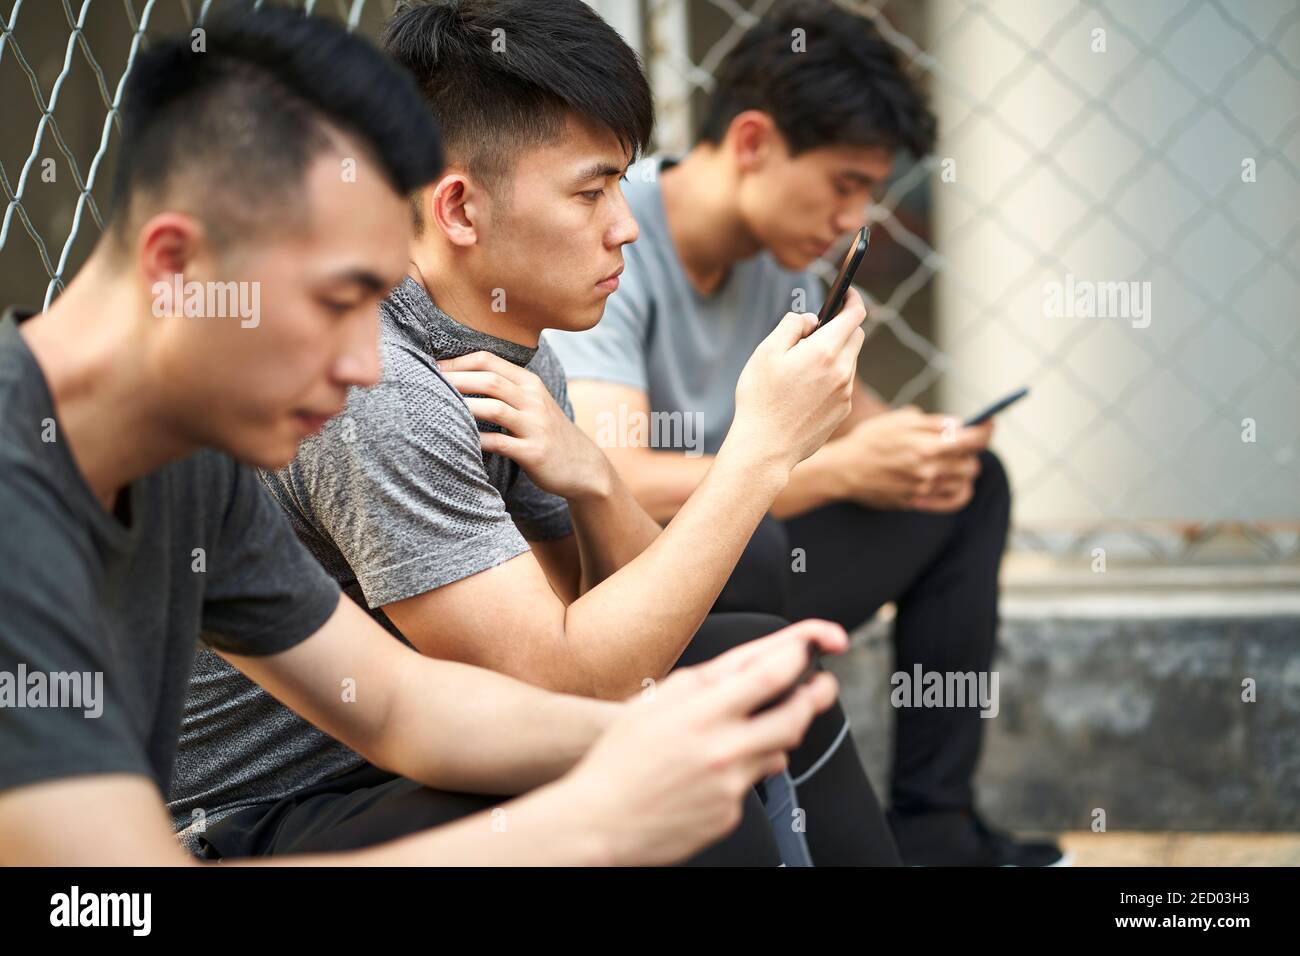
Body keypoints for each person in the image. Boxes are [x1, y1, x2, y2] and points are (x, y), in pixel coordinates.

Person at [0, 5, 844, 867]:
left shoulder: (193, 464)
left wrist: (661, 734)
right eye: (338, 303)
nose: (367, 366)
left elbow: (398, 706)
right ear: (178, 268)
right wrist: (591, 823)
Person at [545, 0, 1066, 866]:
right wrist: (836, 474)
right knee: (761, 551)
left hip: (756, 549)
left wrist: (910, 449)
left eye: (869, 191)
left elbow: (852, 422)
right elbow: (614, 472)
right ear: (752, 142)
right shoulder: (614, 234)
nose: (852, 217)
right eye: (844, 184)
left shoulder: (782, 260)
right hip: (645, 578)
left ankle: (936, 832)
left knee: (971, 489)